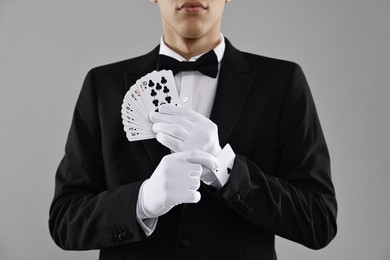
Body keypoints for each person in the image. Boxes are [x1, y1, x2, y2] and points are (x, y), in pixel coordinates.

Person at [49, 0, 337, 259]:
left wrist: (225, 168)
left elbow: (319, 221)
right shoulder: (103, 86)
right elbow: (65, 221)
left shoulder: (282, 84)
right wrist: (143, 201)